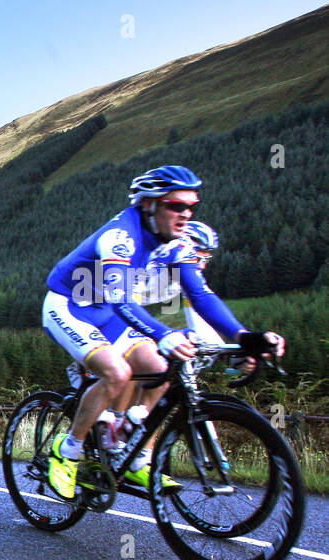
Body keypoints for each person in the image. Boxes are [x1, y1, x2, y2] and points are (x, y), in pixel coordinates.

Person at [41, 165, 285, 500]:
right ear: (148, 204)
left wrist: (244, 337)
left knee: (162, 368)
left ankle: (136, 455)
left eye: (191, 207)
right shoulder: (121, 237)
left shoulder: (176, 243)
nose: (185, 214)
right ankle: (66, 451)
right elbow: (123, 300)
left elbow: (199, 295)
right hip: (70, 306)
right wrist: (163, 334)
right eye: (176, 206)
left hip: (108, 312)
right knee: (117, 372)